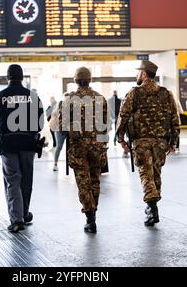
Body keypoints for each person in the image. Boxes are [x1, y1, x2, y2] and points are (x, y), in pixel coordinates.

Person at [116, 60, 180, 227]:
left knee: (146, 174)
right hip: (160, 142)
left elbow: (122, 116)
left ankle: (151, 208)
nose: (136, 75)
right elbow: (175, 119)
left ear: (144, 74)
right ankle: (153, 205)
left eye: (138, 72)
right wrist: (173, 141)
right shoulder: (166, 93)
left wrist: (120, 138)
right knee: (156, 174)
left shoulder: (134, 93)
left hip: (141, 141)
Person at [0, 64, 44, 233]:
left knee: (12, 180)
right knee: (26, 180)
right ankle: (25, 213)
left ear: (8, 77)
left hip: (8, 144)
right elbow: (40, 123)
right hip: (28, 143)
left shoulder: (0, 96)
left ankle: (16, 219)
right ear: (22, 77)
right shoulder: (33, 96)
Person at [59, 67, 110, 233]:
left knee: (83, 182)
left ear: (75, 80)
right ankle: (94, 213)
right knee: (95, 179)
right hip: (97, 146)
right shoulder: (100, 98)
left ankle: (89, 217)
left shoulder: (69, 100)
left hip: (78, 147)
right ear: (90, 79)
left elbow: (62, 128)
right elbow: (107, 125)